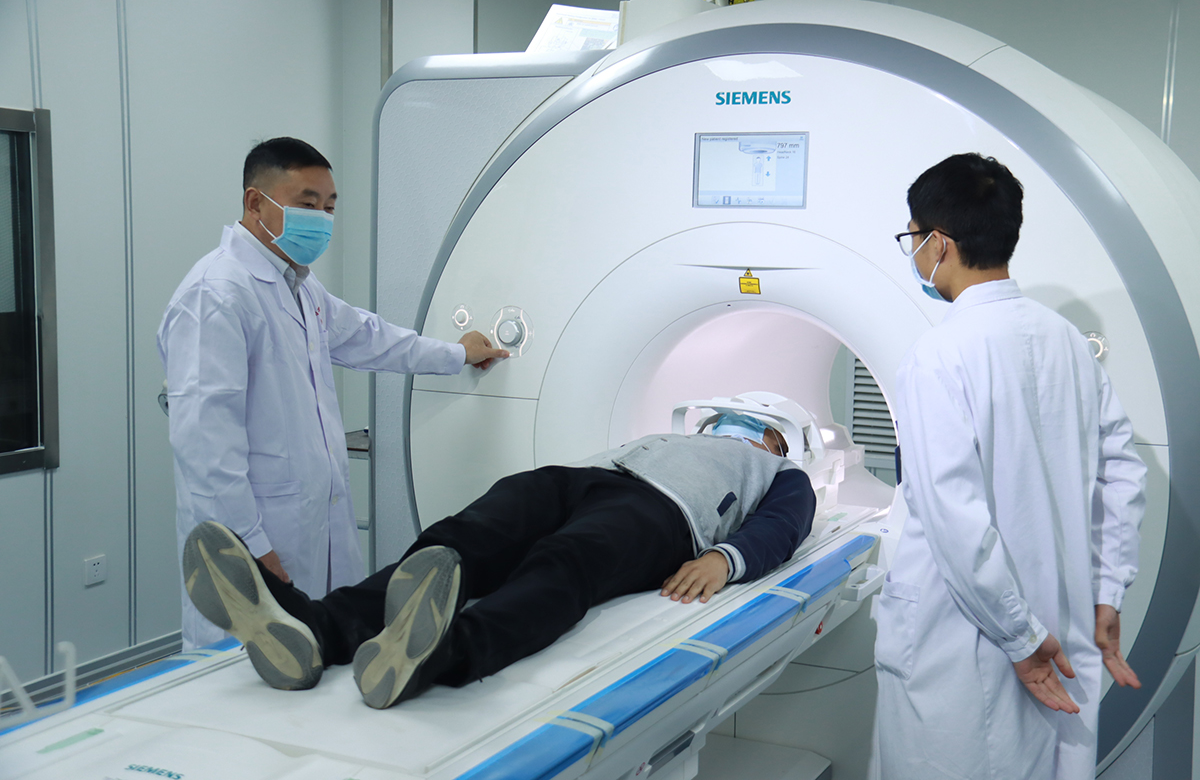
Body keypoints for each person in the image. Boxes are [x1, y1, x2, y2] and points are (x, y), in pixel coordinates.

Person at [181, 412, 817, 708]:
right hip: (577, 478)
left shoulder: (777, 470)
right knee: (461, 538)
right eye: (726, 419)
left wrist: (726, 558)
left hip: (666, 513)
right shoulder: (661, 434)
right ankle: (316, 628)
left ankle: (444, 653)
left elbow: (783, 526)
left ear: (776, 440)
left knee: (565, 561)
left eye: (754, 425)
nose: (735, 428)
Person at [158, 137, 509, 650]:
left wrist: (455, 354)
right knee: (243, 676)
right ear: (255, 203)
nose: (320, 219)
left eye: (328, 207)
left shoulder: (299, 286)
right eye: (307, 204)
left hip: (313, 527)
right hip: (256, 540)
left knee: (318, 657)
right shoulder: (215, 296)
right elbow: (206, 450)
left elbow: (368, 337)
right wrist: (249, 550)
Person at [871, 153, 1147, 779]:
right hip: (1062, 619)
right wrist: (1108, 592)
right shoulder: (1067, 342)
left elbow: (955, 518)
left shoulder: (938, 356)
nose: (913, 251)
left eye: (912, 238)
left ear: (939, 242)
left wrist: (1020, 640)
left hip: (968, 639)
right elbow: (1122, 472)